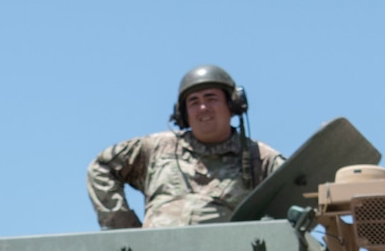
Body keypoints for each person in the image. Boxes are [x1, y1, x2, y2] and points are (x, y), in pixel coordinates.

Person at [87, 66, 284, 229]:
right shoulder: (155, 148)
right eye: (194, 102)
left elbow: (299, 191)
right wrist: (126, 233)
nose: (203, 108)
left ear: (232, 106)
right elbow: (101, 167)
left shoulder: (259, 157)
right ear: (183, 114)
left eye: (211, 99)